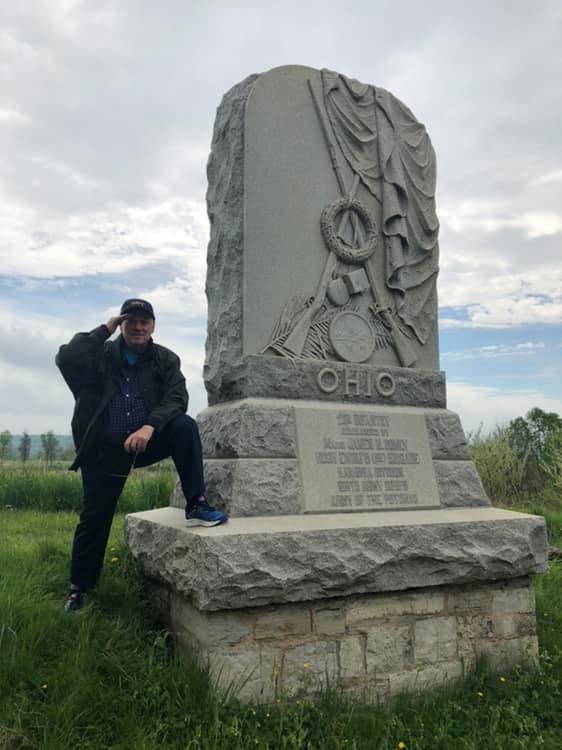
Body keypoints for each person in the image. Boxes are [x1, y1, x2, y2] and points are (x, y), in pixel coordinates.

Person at [56, 298, 227, 612]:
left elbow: (177, 397)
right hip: (104, 450)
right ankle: (79, 589)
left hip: (146, 442)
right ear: (121, 324)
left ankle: (197, 504)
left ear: (153, 326)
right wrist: (104, 328)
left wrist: (149, 427)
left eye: (143, 321)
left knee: (184, 426)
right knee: (95, 516)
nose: (137, 327)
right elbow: (66, 358)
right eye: (130, 321)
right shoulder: (100, 354)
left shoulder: (165, 358)